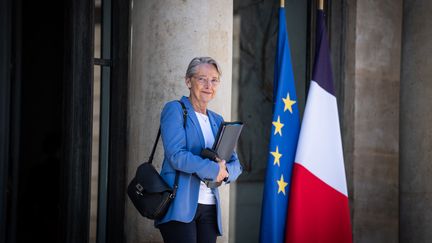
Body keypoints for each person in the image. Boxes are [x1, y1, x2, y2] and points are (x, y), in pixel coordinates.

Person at [155, 57, 243, 243]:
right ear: (188, 81)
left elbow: (235, 163)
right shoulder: (175, 110)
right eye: (202, 78)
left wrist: (225, 172)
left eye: (214, 80)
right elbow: (176, 155)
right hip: (180, 205)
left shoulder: (217, 120)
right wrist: (213, 169)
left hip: (210, 206)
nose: (208, 85)